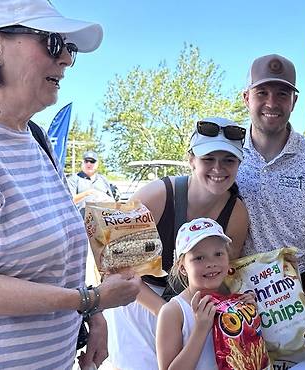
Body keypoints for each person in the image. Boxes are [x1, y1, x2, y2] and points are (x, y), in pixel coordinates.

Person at [0, 0, 141, 368]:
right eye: (52, 42)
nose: (66, 58)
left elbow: (62, 260)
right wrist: (90, 300)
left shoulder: (36, 138)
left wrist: (92, 317)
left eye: (68, 48)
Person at [104, 117, 250, 369]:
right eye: (208, 159)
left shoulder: (236, 212)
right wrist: (169, 314)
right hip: (141, 304)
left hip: (192, 309)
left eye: (229, 160)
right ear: (191, 160)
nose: (219, 168)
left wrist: (235, 302)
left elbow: (226, 272)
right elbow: (116, 269)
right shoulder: (157, 196)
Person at [237, 53, 305, 320]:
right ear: (246, 98)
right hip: (236, 291)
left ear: (294, 101)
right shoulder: (228, 156)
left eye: (282, 94)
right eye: (262, 92)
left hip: (295, 294)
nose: (271, 103)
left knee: (298, 362)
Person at [156, 217, 256, 370]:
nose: (211, 263)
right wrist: (201, 329)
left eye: (218, 254)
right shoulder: (173, 312)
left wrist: (251, 316)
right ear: (182, 267)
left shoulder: (236, 294)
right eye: (199, 258)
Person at [67, 150, 117, 218]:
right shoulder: (73, 179)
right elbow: (69, 201)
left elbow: (113, 201)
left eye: (92, 161)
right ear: (82, 163)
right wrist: (88, 193)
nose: (89, 164)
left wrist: (104, 198)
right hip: (81, 221)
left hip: (103, 220)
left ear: (97, 164)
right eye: (86, 161)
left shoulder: (103, 179)